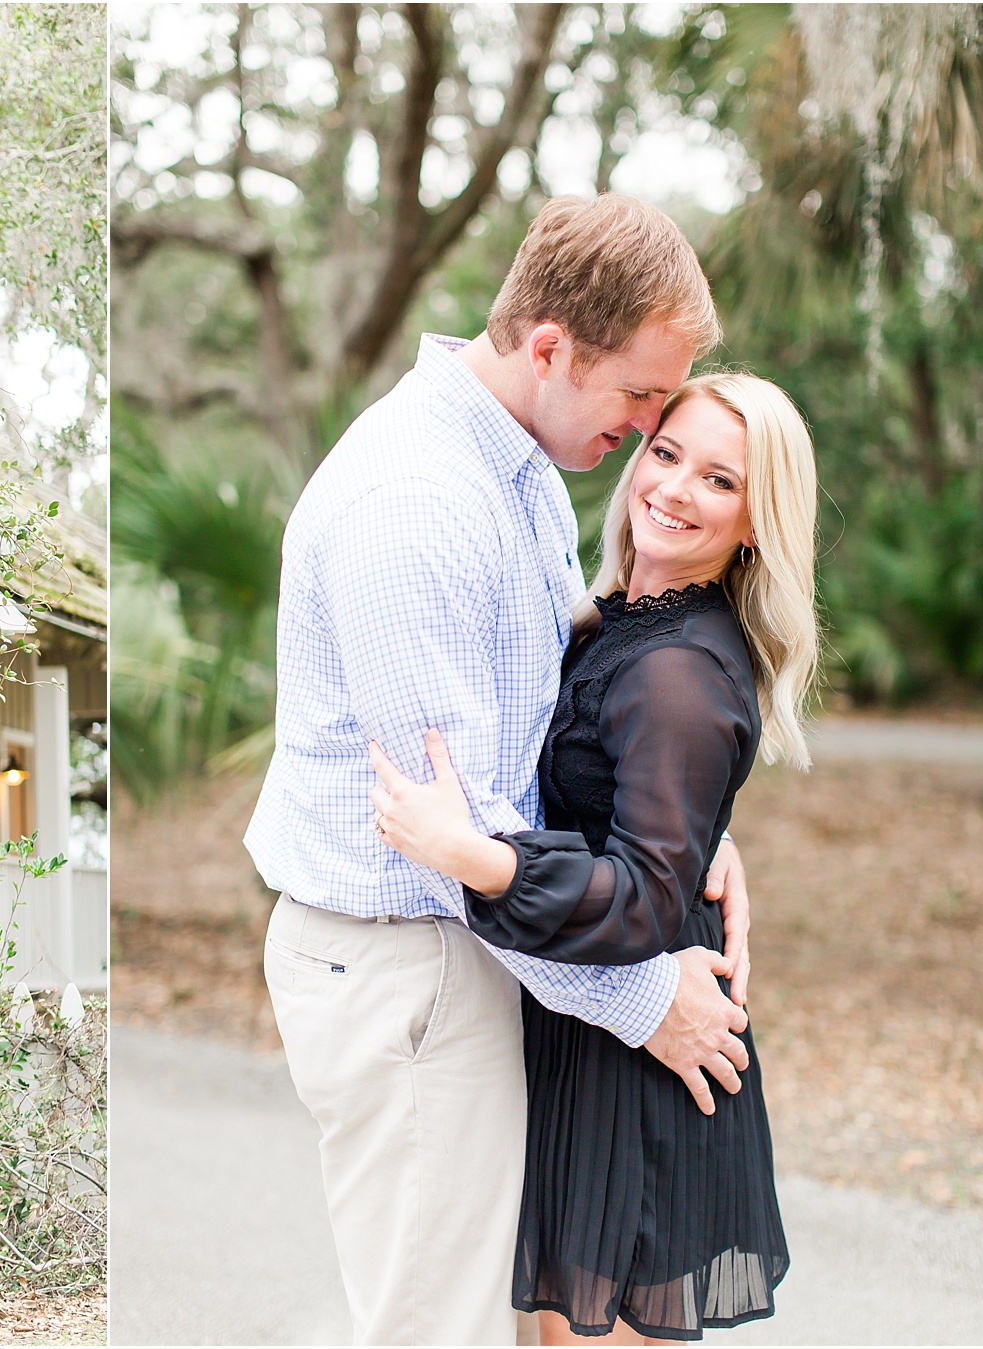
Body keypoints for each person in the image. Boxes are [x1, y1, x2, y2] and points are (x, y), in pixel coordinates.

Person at [246, 194, 754, 1347]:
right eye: (638, 394)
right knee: (440, 1329)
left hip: (471, 955)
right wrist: (644, 1000)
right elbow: (458, 838)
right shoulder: (416, 503)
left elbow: (537, 723)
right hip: (410, 962)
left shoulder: (514, 463)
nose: (645, 428)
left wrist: (685, 826)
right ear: (548, 348)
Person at [370, 371, 816, 1342]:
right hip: (583, 1019)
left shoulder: (679, 669)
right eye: (665, 453)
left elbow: (647, 904)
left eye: (719, 480)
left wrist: (477, 857)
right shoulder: (622, 619)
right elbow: (631, 796)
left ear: (754, 521)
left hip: (638, 1053)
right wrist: (708, 829)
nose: (673, 488)